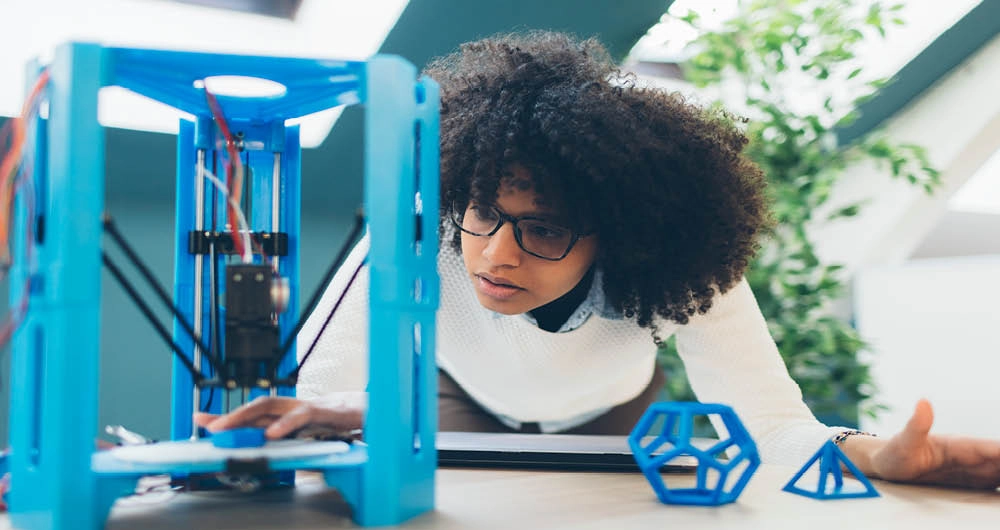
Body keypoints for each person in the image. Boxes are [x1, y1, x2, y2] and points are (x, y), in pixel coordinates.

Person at [196, 31, 1000, 489]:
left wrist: (876, 455)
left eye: (544, 228)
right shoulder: (418, 229)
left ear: (620, 236)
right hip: (457, 401)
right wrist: (335, 416)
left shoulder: (682, 267)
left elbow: (770, 425)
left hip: (614, 415)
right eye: (484, 213)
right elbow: (325, 392)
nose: (494, 254)